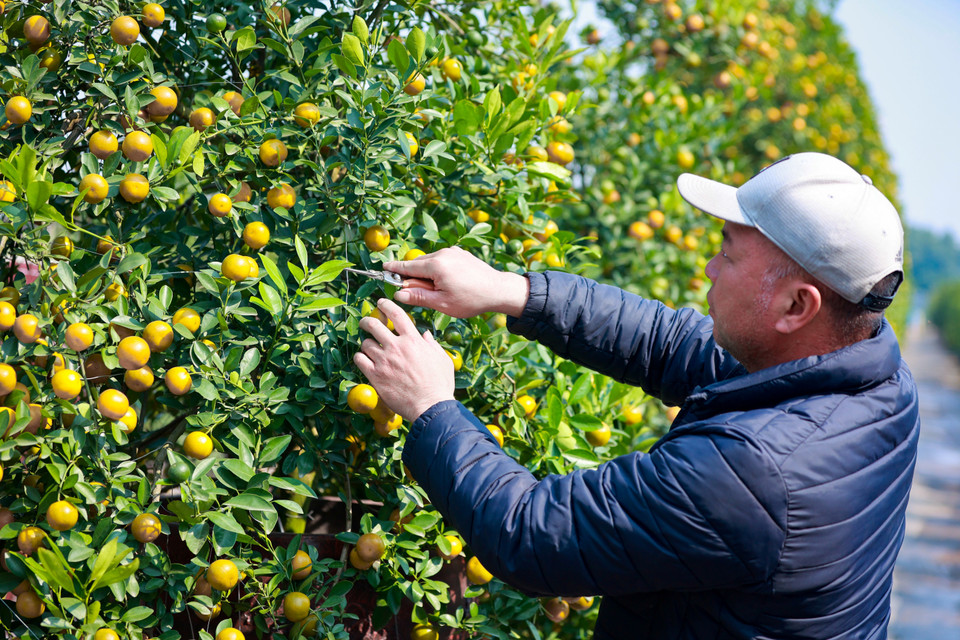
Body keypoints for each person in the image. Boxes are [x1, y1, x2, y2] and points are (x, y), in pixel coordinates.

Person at [353, 152, 920, 639]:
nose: (708, 268)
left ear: (797, 307)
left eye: (728, 252)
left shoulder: (753, 473)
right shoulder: (876, 382)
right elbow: (667, 342)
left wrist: (431, 407)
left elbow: (533, 534)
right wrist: (510, 290)